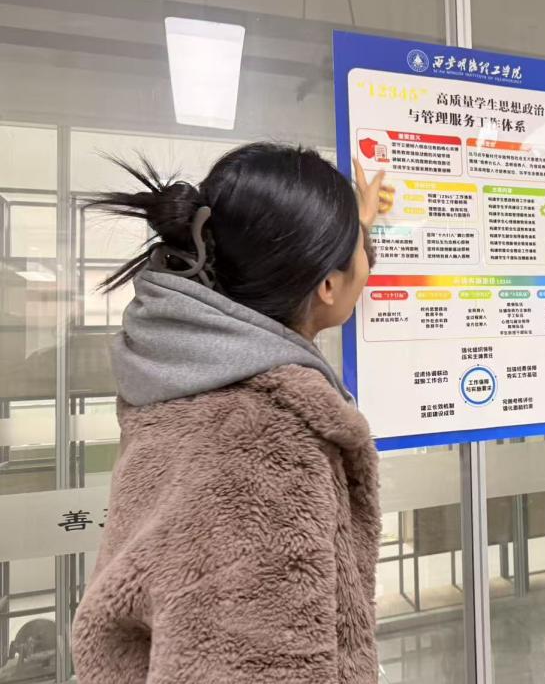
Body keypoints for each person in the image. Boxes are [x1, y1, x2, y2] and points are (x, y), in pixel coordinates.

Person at [71, 143, 393, 684]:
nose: (368, 261)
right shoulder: (265, 443)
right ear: (327, 283)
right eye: (361, 251)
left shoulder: (187, 371)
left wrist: (352, 224)